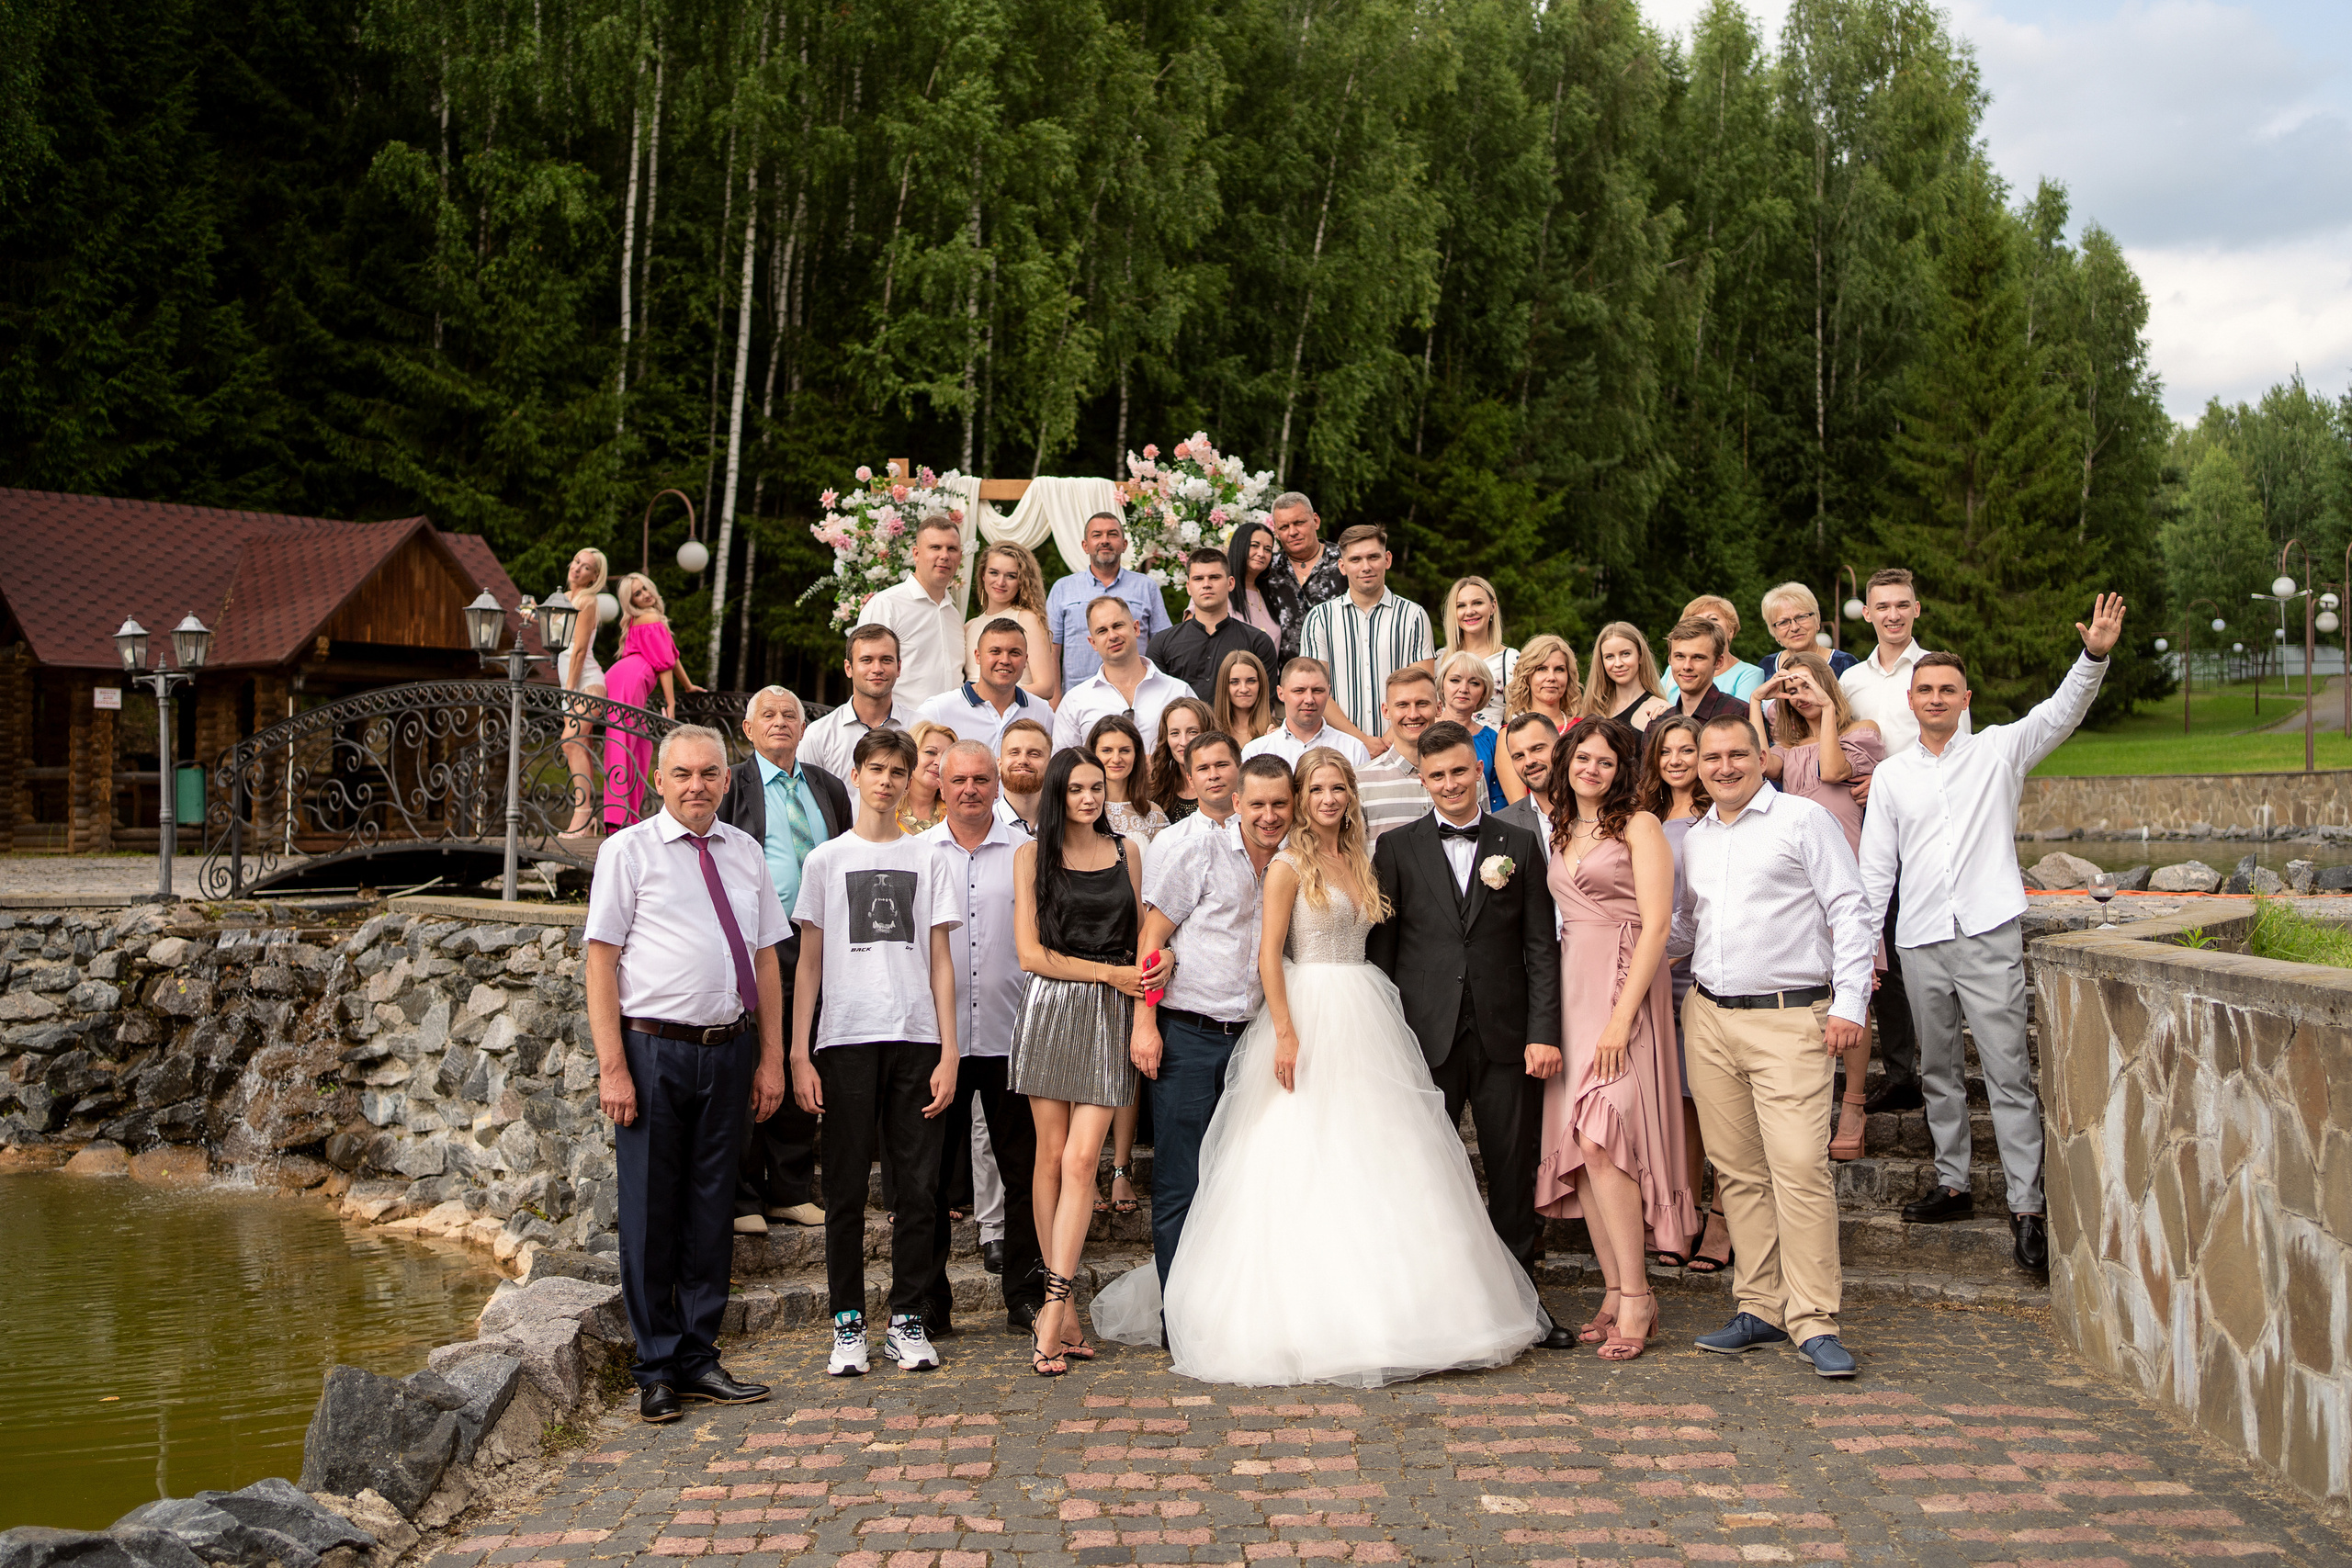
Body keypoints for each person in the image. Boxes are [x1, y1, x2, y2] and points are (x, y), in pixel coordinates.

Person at [1095, 748, 1545, 1385]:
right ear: (1302, 798)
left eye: (1338, 788)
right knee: (1289, 1156)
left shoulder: (1363, 858)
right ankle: (1240, 1310)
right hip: (1304, 1011)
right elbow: (1267, 958)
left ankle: (1403, 1304)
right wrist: (1283, 1032)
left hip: (1365, 1012)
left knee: (1374, 1158)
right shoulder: (1287, 865)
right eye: (1317, 789)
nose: (1327, 799)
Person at [1861, 594, 2127, 1277]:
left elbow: (2061, 711)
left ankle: (2027, 1206)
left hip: (1987, 931)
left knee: (2008, 1071)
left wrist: (2092, 654)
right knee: (1939, 1071)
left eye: (1947, 688)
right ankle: (1952, 1182)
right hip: (1920, 937)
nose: (1935, 697)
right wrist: (1866, 946)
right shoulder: (1891, 776)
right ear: (1912, 699)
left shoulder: (2000, 751)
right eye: (1925, 689)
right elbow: (1875, 870)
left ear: (1965, 697)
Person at [584, 725, 789, 1423]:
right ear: (659, 780)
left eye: (709, 773)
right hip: (652, 1050)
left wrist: (770, 1056)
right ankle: (656, 1367)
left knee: (711, 1208)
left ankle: (700, 1355)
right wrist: (613, 1065)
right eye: (682, 774)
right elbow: (600, 962)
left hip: (728, 1048)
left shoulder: (745, 851)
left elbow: (765, 959)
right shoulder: (627, 851)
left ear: (726, 781)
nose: (696, 785)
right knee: (649, 1210)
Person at [1673, 714, 1875, 1379]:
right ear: (1697, 764)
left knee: (1799, 1167)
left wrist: (1849, 1003)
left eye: (1737, 754)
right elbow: (1682, 927)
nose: (1724, 766)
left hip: (1791, 1019)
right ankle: (1760, 1305)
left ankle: (1815, 1318)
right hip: (1709, 1017)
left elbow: (1851, 908)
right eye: (1712, 756)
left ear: (1763, 756)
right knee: (1737, 1172)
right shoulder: (1696, 837)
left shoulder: (1801, 819)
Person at [1368, 719, 1575, 1350]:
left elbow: (1541, 946)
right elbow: (1382, 953)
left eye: (1461, 771)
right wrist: (1386, 1042)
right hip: (1424, 1036)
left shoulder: (1520, 841)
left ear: (1477, 771)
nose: (1451, 783)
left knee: (1513, 1172)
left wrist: (1544, 1031)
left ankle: (1522, 1307)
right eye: (1438, 776)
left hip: (1507, 1034)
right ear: (1423, 780)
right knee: (1423, 1172)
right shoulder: (1396, 849)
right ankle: (1428, 1305)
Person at [788, 728, 962, 1378]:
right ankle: (849, 1324)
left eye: (898, 770)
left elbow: (942, 962)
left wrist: (949, 1050)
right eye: (877, 768)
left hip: (917, 1038)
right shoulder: (826, 861)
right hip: (846, 1039)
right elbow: (808, 965)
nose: (887, 780)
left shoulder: (930, 857)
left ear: (912, 780)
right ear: (856, 774)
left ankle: (908, 1319)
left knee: (918, 1188)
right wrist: (800, 1054)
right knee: (844, 1191)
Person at [1532, 717, 1690, 1360]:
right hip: (1572, 992)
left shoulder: (1641, 826)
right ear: (1567, 762)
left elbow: (1657, 926)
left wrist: (1622, 1019)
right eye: (1582, 758)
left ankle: (1640, 1296)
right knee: (1581, 1146)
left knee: (1605, 1136)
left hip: (1625, 990)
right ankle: (1615, 1288)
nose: (1591, 769)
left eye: (1604, 760)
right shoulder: (1561, 828)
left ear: (1622, 768)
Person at [1125, 741, 1288, 1295]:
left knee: (1246, 1179)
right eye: (1258, 804)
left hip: (1255, 1040)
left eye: (1280, 805)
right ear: (1237, 801)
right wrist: (1145, 1025)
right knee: (1180, 1182)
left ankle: (1233, 1305)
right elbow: (1152, 937)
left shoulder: (1294, 861)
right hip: (1190, 1034)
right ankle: (1179, 1312)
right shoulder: (1198, 851)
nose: (1269, 816)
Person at [1011, 747, 1148, 1375]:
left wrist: (1151, 968)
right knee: (1049, 1155)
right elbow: (1031, 954)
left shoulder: (1129, 852)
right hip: (1051, 1008)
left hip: (1108, 1016)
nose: (1090, 798)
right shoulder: (1030, 857)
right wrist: (1108, 975)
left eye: (1097, 787)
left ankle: (1052, 1306)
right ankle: (1059, 1307)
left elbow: (1142, 937)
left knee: (1083, 1158)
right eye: (1078, 789)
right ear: (1059, 793)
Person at [918, 742, 1046, 1337]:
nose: (969, 788)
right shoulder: (917, 854)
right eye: (959, 779)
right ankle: (927, 1300)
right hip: (934, 1040)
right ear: (940, 785)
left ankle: (1023, 1292)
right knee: (929, 1178)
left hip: (1010, 1034)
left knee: (1022, 1172)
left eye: (980, 779)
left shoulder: (1027, 854)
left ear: (997, 785)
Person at [718, 686, 851, 1237]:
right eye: (767, 715)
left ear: (804, 727)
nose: (779, 722)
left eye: (789, 715)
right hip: (754, 945)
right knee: (755, 1062)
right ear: (748, 729)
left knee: (804, 1056)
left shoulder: (828, 786)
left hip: (816, 943)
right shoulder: (733, 784)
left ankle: (790, 1189)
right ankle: (744, 1193)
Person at [1837, 567, 1962, 1115]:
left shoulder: (1937, 674)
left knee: (1922, 949)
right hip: (1862, 831)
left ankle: (1940, 1069)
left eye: (1902, 605)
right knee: (1878, 947)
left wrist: (1887, 780)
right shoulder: (1852, 683)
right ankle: (1902, 1071)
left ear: (1917, 609)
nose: (1892, 614)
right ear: (1868, 613)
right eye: (1882, 606)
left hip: (1924, 830)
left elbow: (1957, 755)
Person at [1751, 653, 1883, 1162]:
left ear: (1827, 687)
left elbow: (1832, 770)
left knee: (1855, 988)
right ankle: (1810, 1100)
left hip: (1845, 865)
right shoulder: (1785, 745)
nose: (1798, 695)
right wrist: (1755, 701)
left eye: (1807, 685)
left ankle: (1853, 1105)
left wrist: (1826, 710)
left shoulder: (1861, 732)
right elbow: (1761, 767)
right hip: (1798, 874)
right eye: (1791, 688)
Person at [1634, 715, 1725, 1274]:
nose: (1675, 760)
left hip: (1703, 971)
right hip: (1651, 977)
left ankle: (1722, 1221)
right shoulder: (1640, 820)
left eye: (1686, 750)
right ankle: (1678, 1214)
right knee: (1674, 1105)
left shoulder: (1719, 819)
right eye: (1664, 751)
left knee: (1711, 1105)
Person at [1300, 524, 1433, 750]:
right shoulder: (1319, 618)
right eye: (1355, 560)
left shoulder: (1413, 616)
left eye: (1373, 557)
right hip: (1339, 749)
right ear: (1342, 566)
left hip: (1403, 747)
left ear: (1387, 559)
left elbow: (1424, 686)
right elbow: (1315, 689)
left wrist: (1389, 742)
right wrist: (1360, 742)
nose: (1366, 567)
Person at [603, 573, 697, 828]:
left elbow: (671, 655)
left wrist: (688, 686)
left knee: (636, 744)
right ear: (630, 601)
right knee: (624, 742)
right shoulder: (650, 618)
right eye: (637, 593)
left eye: (645, 588)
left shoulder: (648, 619)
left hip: (626, 678)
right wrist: (672, 703)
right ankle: (617, 818)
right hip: (630, 679)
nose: (645, 594)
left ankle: (625, 815)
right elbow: (664, 664)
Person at [1046, 511, 1172, 689]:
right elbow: (1051, 650)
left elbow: (1164, 645)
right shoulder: (1063, 588)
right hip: (1080, 697)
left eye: (1112, 534)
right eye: (1097, 535)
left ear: (1124, 545)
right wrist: (1055, 700)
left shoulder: (1146, 587)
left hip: (1137, 694)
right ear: (1085, 545)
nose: (1105, 540)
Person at [1051, 597, 1193, 753]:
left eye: (1118, 626)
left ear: (1136, 628)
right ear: (1093, 643)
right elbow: (1063, 766)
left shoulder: (1178, 692)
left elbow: (1201, 753)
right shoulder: (1075, 702)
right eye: (1102, 631)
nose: (1112, 636)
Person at [862, 514, 968, 707]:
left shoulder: (953, 614)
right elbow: (866, 677)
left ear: (960, 556)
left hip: (951, 730)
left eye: (951, 549)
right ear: (916, 553)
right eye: (935, 547)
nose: (944, 555)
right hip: (902, 730)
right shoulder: (886, 605)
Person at [1150, 547, 1277, 702]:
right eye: (1198, 579)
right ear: (1188, 587)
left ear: (1230, 583)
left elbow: (1265, 704)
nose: (1206, 584)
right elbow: (1156, 703)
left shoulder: (1258, 642)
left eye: (1214, 577)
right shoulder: (1162, 643)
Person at [801, 625, 921, 781]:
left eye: (886, 660)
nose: (877, 668)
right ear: (848, 668)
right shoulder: (819, 736)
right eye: (866, 660)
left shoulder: (919, 729)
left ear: (898, 667)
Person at [921, 616, 1044, 750]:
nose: (1005, 660)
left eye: (1014, 653)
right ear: (978, 656)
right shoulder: (938, 710)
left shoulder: (1042, 712)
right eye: (995, 651)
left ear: (1025, 660)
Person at [556, 547, 610, 838]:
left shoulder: (587, 602)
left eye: (586, 567)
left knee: (571, 741)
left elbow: (577, 651)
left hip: (586, 682)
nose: (577, 568)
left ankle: (582, 815)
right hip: (572, 685)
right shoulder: (563, 599)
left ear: (594, 576)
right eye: (576, 561)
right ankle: (587, 821)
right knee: (579, 744)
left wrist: (569, 690)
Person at [966, 542, 1058, 705]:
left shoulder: (1027, 619)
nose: (1000, 582)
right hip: (973, 717)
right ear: (983, 575)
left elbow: (1046, 687)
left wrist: (991, 698)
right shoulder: (969, 627)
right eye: (994, 573)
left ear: (1022, 581)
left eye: (1011, 576)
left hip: (1018, 717)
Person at [1241, 658, 1372, 771]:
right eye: (1299, 691)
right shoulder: (1256, 751)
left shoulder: (1354, 749)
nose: (1309, 699)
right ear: (1280, 693)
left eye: (1317, 690)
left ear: (1328, 693)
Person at [1494, 634, 1579, 803]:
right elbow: (1519, 806)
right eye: (1542, 669)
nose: (1551, 677)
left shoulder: (1584, 729)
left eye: (1559, 669)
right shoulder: (1509, 736)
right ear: (1527, 676)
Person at [1263, 491, 1349, 659]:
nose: (1292, 532)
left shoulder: (1345, 560)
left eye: (1299, 523)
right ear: (1276, 532)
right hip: (1285, 678)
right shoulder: (1267, 569)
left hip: (1340, 671)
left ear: (1315, 521)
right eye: (1284, 527)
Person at [1355, 666, 1437, 840]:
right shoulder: (1360, 782)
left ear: (1438, 707)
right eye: (1402, 705)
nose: (1413, 714)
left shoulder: (1465, 775)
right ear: (1386, 711)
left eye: (1422, 703)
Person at [1440, 576, 1519, 729]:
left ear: (1493, 606)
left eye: (1477, 603)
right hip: (1444, 743)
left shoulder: (1509, 659)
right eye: (1461, 606)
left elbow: (1518, 717)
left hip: (1489, 747)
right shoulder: (1441, 659)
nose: (1469, 611)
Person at [1437, 650, 1506, 810]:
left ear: (1483, 693)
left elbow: (1498, 796)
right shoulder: (1424, 731)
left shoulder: (1492, 740)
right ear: (1442, 685)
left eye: (1474, 683)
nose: (1464, 689)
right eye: (1455, 680)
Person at [1090, 712, 1170, 846]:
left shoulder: (1153, 813)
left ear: (1136, 755)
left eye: (1124, 750)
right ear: (1093, 754)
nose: (1116, 759)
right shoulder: (1082, 808)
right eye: (1107, 750)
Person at [1755, 582, 1858, 683]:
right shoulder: (1766, 666)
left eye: (1801, 617)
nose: (1794, 628)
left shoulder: (1845, 663)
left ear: (1817, 619)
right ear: (1774, 631)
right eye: (1783, 622)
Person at [1580, 623, 1671, 731]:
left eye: (1625, 654)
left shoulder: (1659, 710)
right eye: (1609, 657)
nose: (1618, 663)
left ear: (1640, 656)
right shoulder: (1593, 711)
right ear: (1601, 662)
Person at [1663, 616, 1747, 728]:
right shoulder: (1660, 723)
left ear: (1718, 662)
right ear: (1670, 659)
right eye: (1680, 656)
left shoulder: (1737, 714)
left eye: (1698, 657)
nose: (1687, 666)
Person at [1494, 712, 1559, 851]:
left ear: (1560, 747)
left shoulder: (1593, 810)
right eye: (1519, 756)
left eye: (1537, 749)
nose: (1529, 761)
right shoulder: (1501, 825)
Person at [1680, 595, 1766, 699]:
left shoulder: (1749, 675)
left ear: (1731, 631)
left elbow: (1740, 714)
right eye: (1697, 620)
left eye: (1713, 619)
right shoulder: (1677, 670)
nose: (1704, 625)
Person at [1148, 696, 1216, 827]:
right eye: (1175, 733)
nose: (1184, 742)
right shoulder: (1157, 789)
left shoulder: (1226, 785)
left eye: (1193, 732)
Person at [1226, 520, 1285, 645]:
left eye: (1267, 549)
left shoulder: (1270, 594)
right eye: (1254, 545)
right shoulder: (1218, 590)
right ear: (1240, 546)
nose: (1261, 554)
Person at [896, 721, 955, 835]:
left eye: (946, 757)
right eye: (931, 752)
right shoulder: (884, 806)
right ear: (909, 754)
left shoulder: (956, 814)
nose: (939, 762)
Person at [994, 717, 1051, 835]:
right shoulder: (982, 826)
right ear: (1000, 764)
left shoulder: (1067, 826)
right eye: (1014, 752)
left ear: (1050, 766)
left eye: (1034, 754)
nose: (1023, 760)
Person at [1215, 649, 1276, 743]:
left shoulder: (1279, 732)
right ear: (1224, 686)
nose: (1244, 689)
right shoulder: (1210, 731)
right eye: (1234, 682)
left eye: (1251, 681)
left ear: (1261, 684)